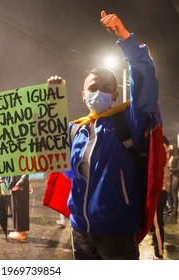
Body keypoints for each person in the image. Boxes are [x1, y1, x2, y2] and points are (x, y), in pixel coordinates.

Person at [48, 11, 159, 259]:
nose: (99, 93)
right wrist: (52, 101)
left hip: (117, 234)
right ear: (83, 95)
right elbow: (48, 154)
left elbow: (145, 82)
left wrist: (125, 38)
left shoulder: (128, 121)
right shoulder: (75, 129)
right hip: (80, 231)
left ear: (117, 94)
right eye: (93, 88)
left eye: (106, 88)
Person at [150, 136, 171, 259]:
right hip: (162, 188)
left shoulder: (160, 149)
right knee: (156, 221)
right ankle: (158, 248)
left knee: (157, 222)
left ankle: (159, 254)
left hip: (159, 188)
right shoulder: (164, 149)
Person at [5, 175, 30, 241]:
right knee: (16, 207)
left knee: (20, 207)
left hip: (20, 184)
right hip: (17, 183)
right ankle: (19, 230)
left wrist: (20, 183)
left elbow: (26, 172)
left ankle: (21, 232)